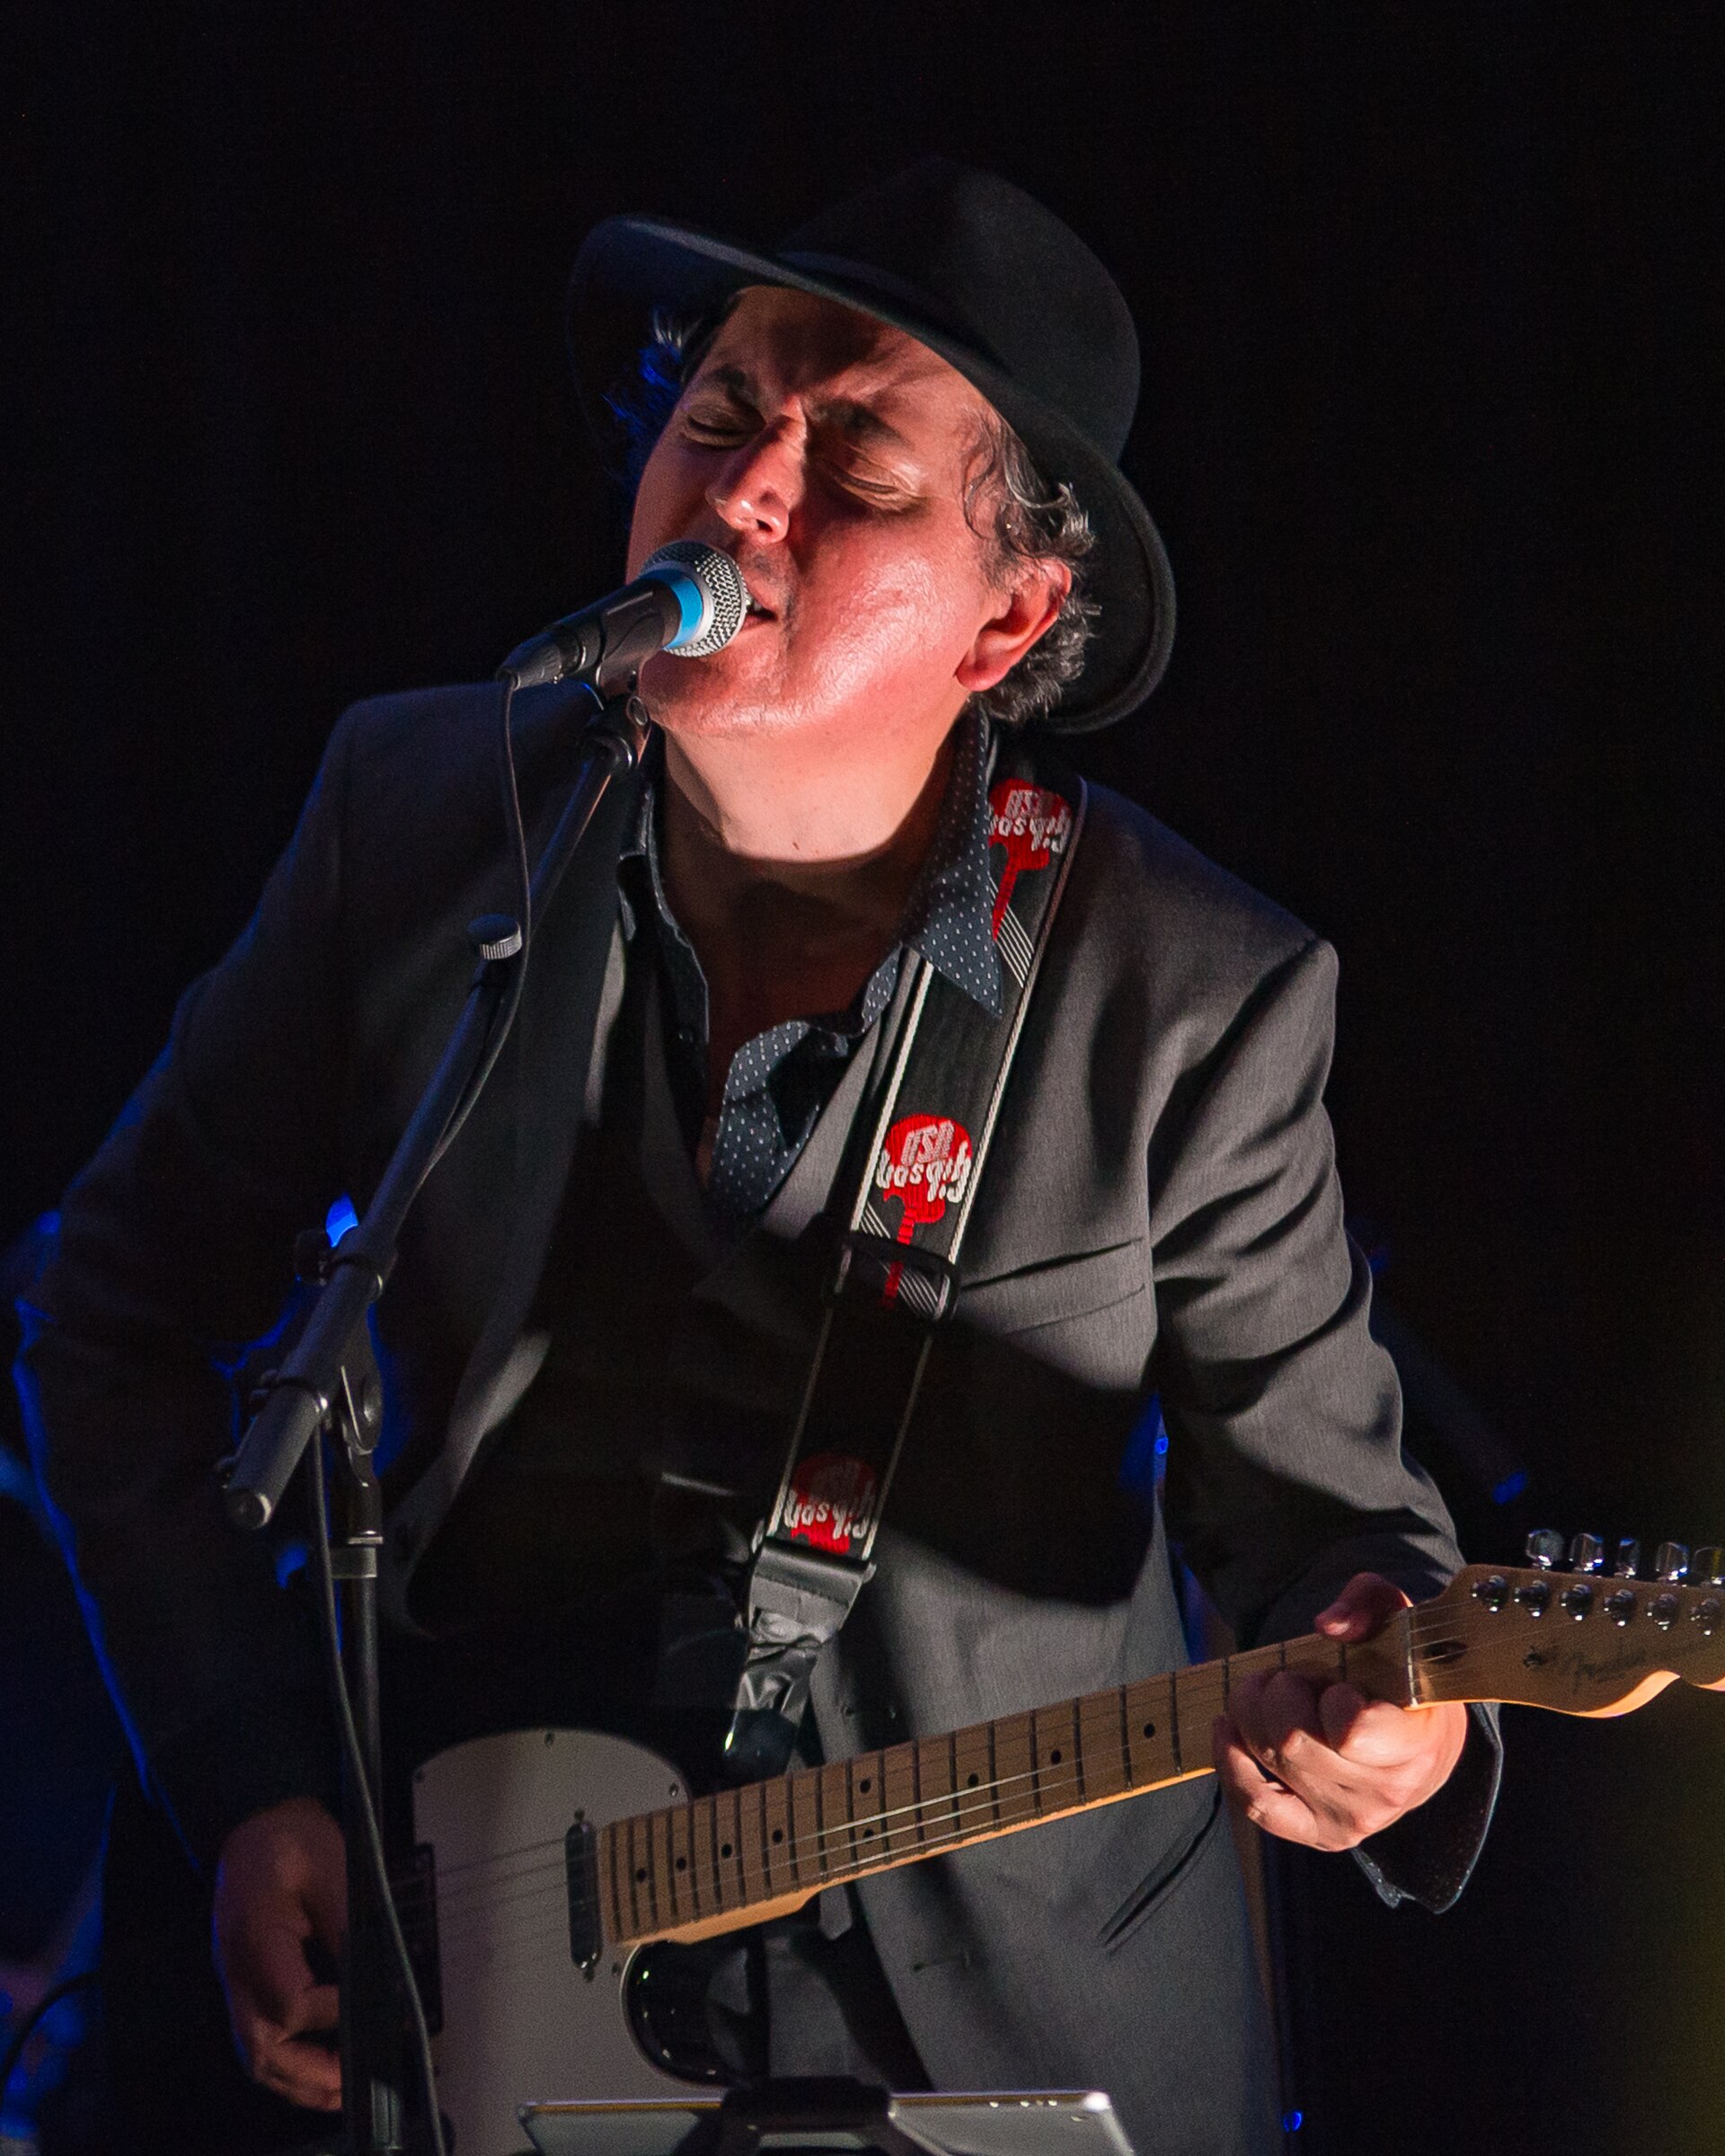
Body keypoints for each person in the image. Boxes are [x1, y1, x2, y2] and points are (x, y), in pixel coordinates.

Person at [16, 161, 1499, 2156]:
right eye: (719, 418)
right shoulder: (421, 813)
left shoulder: (1197, 996)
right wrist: (245, 1766)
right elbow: (102, 1313)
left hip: (996, 2027)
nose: (740, 490)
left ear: (1012, 617)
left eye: (857, 465)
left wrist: (1391, 1712)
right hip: (451, 1980)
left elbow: (1336, 1536)